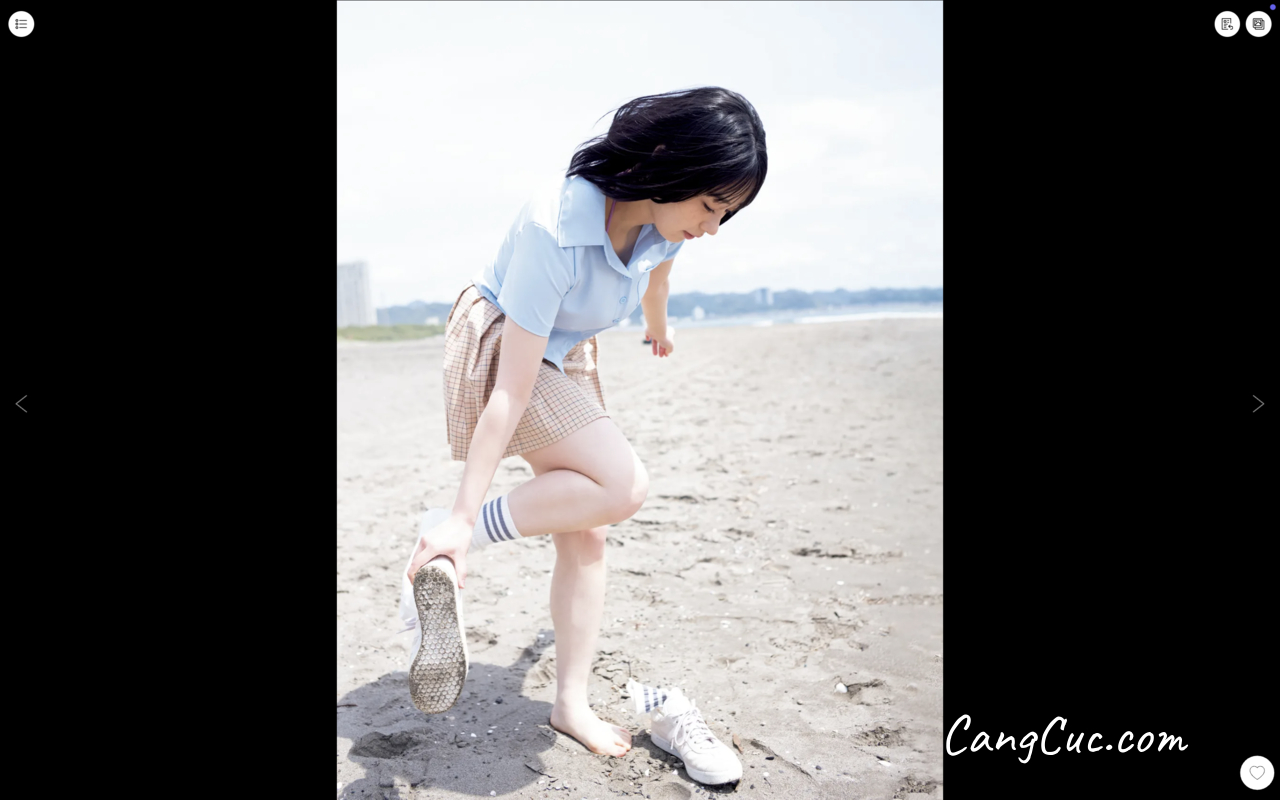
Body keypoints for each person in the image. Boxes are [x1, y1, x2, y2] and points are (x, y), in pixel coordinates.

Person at [404, 86, 767, 761]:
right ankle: (449, 533)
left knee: (588, 531)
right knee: (621, 486)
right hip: (506, 342)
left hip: (565, 351)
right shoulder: (556, 226)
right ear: (669, 162)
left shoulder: (666, 224)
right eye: (711, 205)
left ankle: (570, 704)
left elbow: (656, 280)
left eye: (727, 214)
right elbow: (511, 388)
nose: (714, 227)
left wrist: (658, 330)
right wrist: (462, 515)